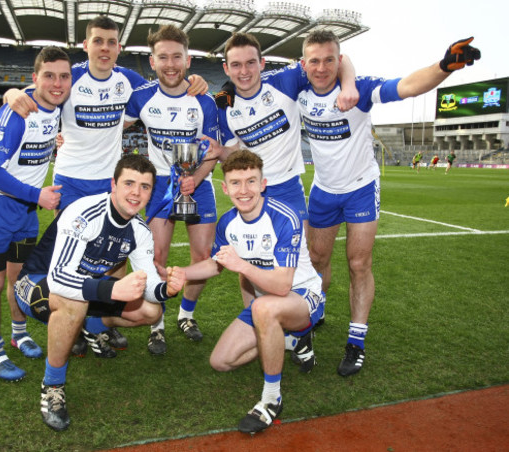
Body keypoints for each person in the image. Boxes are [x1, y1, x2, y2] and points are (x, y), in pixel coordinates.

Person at [4, 16, 206, 353]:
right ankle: (72, 317)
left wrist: (194, 79)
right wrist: (12, 92)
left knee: (116, 254)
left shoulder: (128, 80)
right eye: (98, 41)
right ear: (87, 45)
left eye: (112, 42)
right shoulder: (73, 76)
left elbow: (165, 86)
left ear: (119, 47)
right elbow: (36, 91)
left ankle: (97, 323)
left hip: (110, 181)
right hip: (70, 180)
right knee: (71, 255)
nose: (105, 48)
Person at [298, 31, 480, 376]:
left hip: (361, 187)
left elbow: (408, 85)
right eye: (314, 61)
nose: (321, 68)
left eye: (329, 59)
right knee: (317, 259)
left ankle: (356, 341)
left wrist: (444, 67)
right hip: (323, 188)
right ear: (304, 63)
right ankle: (315, 312)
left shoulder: (360, 89)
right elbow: (251, 77)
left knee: (358, 263)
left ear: (339, 60)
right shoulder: (298, 85)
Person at [15, 154, 185, 431]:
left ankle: (90, 329)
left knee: (152, 311)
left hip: (84, 291)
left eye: (145, 186)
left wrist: (167, 289)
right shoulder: (85, 212)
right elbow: (58, 279)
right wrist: (113, 288)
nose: (136, 193)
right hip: (35, 285)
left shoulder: (140, 231)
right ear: (113, 184)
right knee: (75, 303)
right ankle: (53, 385)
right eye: (129, 183)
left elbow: (151, 287)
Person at [174, 150, 324, 434]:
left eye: (251, 181)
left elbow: (282, 285)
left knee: (263, 307)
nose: (243, 190)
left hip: (302, 296)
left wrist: (241, 264)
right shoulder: (227, 223)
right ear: (225, 187)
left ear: (263, 183)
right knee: (220, 361)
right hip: (266, 301)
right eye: (236, 183)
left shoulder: (284, 217)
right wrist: (181, 273)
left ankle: (271, 398)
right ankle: (294, 342)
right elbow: (214, 265)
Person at [0, 46, 71, 381]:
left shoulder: (57, 106)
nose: (57, 83)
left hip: (24, 209)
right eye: (49, 76)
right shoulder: (17, 114)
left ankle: (19, 333)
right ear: (35, 78)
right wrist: (37, 194)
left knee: (19, 277)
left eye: (63, 76)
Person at [124, 24, 220, 355]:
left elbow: (214, 150)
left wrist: (197, 177)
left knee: (203, 259)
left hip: (198, 184)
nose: (170, 64)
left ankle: (187, 315)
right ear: (152, 62)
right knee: (157, 257)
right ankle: (157, 324)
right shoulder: (141, 97)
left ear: (188, 59)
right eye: (162, 57)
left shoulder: (205, 101)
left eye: (176, 56)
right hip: (161, 186)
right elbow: (110, 130)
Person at [213, 32, 358, 228]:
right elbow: (232, 153)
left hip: (288, 186)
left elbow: (342, 60)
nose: (244, 71)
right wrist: (220, 151)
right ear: (226, 68)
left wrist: (349, 86)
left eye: (250, 63)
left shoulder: (285, 80)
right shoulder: (224, 105)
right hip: (252, 190)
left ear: (262, 63)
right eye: (236, 65)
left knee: (302, 253)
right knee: (253, 255)